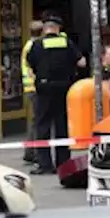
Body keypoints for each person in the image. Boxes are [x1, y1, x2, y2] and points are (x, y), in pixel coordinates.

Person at [26, 15, 86, 174]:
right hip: (63, 88)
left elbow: (30, 63)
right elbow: (82, 62)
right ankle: (63, 163)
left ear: (45, 29)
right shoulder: (66, 42)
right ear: (58, 28)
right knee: (61, 126)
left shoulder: (37, 44)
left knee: (43, 125)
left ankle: (45, 164)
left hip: (44, 88)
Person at [19, 20, 44, 163]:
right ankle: (31, 151)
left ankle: (31, 151)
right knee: (37, 121)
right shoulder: (34, 47)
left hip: (30, 87)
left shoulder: (29, 45)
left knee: (36, 120)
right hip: (34, 87)